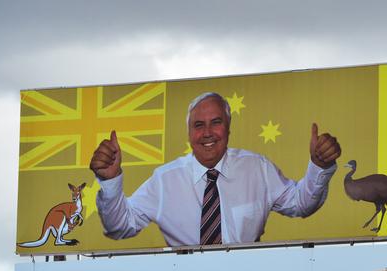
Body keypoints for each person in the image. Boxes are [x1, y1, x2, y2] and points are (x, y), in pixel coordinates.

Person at [90, 92, 341, 246]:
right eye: (198, 125)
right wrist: (110, 183)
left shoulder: (257, 168)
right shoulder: (165, 180)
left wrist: (320, 166)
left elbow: (301, 204)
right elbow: (120, 227)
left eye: (216, 123)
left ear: (228, 128)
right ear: (189, 134)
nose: (207, 133)